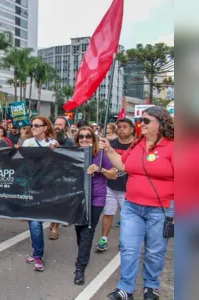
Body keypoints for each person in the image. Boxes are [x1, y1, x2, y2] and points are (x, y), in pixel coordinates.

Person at [103, 107, 174, 300]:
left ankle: (151, 286)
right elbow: (124, 165)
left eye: (146, 121)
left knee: (155, 251)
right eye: (141, 120)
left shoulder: (174, 147)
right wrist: (109, 150)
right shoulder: (137, 144)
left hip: (161, 209)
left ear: (162, 124)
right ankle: (125, 289)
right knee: (129, 248)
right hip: (132, 206)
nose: (141, 124)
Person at [73, 126, 117, 285]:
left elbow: (114, 173)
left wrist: (100, 169)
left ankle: (80, 268)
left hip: (96, 199)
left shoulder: (100, 154)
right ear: (77, 139)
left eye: (88, 136)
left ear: (94, 138)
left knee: (87, 232)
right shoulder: (74, 153)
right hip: (77, 199)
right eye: (81, 137)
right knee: (79, 229)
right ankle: (81, 257)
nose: (84, 139)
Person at [16, 116, 58, 271]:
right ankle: (36, 252)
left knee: (35, 221)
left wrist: (57, 152)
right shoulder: (27, 143)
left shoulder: (52, 144)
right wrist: (16, 153)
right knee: (33, 221)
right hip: (30, 186)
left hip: (46, 188)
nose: (32, 128)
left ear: (45, 127)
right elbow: (21, 162)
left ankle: (38, 255)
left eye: (36, 125)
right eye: (32, 125)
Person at [95, 118, 135, 252]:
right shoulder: (110, 144)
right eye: (119, 127)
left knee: (127, 217)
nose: (121, 129)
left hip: (128, 189)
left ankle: (123, 240)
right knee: (108, 213)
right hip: (110, 186)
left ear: (132, 129)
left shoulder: (136, 145)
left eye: (125, 126)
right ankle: (103, 239)